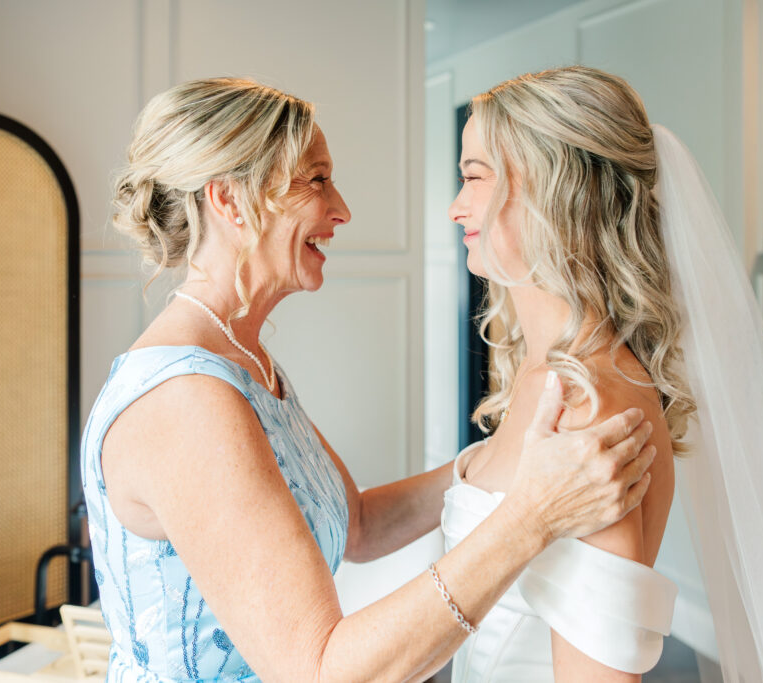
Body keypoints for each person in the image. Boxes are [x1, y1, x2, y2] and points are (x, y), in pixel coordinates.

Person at [80, 77, 657, 683]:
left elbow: (354, 523)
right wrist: (531, 515)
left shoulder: (241, 361)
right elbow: (319, 672)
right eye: (316, 180)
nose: (342, 210)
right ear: (228, 201)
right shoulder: (185, 403)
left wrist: (499, 461)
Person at [440, 66, 763, 682]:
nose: (456, 207)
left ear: (545, 189)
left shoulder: (591, 406)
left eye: (473, 178)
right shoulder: (544, 379)